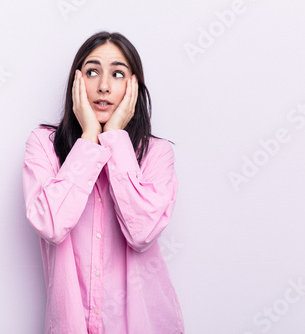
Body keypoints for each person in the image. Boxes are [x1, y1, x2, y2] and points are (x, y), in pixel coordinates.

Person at [23, 31, 184, 334]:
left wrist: (114, 139)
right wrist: (88, 139)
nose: (104, 86)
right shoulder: (43, 145)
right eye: (92, 71)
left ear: (133, 86)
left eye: (118, 74)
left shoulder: (158, 154)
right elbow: (51, 225)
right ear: (77, 82)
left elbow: (142, 233)